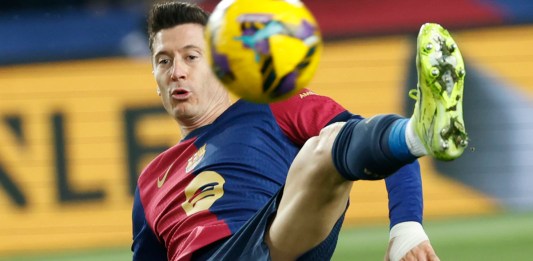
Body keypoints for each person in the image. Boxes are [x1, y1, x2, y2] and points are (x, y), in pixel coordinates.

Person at [132, 1, 468, 260]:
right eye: (164, 61)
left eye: (192, 57)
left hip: (271, 242)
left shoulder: (271, 105)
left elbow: (376, 145)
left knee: (327, 145)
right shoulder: (150, 182)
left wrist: (407, 229)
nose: (177, 71)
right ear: (154, 76)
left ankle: (418, 133)